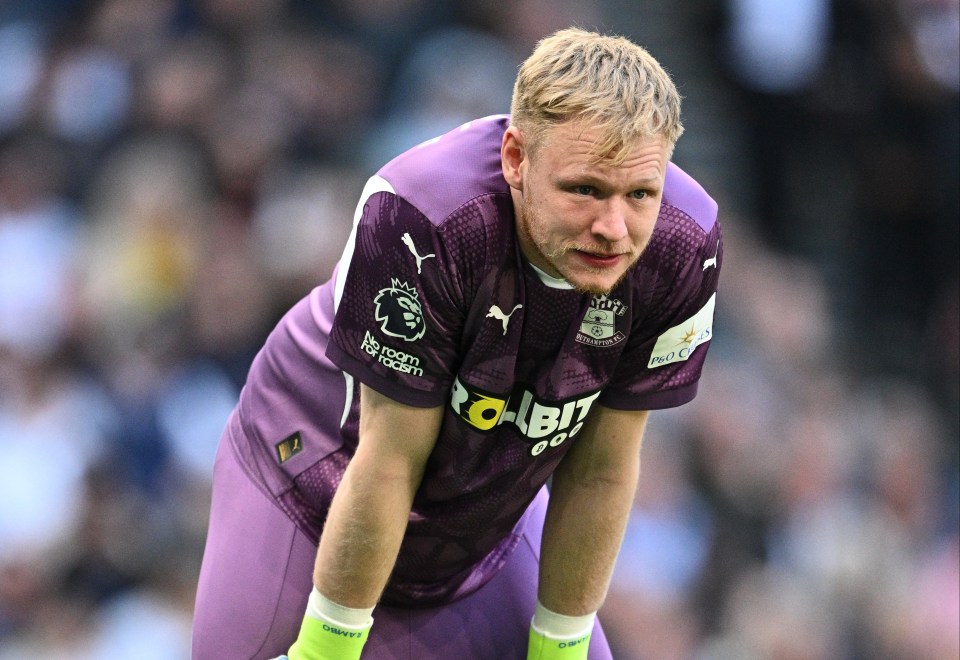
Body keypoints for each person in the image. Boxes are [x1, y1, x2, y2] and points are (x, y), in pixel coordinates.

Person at [192, 27, 723, 660]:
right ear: (515, 159)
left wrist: (558, 651)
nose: (613, 229)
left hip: (478, 517)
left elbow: (602, 469)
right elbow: (389, 462)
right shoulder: (422, 214)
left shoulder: (685, 244)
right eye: (584, 190)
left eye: (640, 194)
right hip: (312, 480)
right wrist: (324, 650)